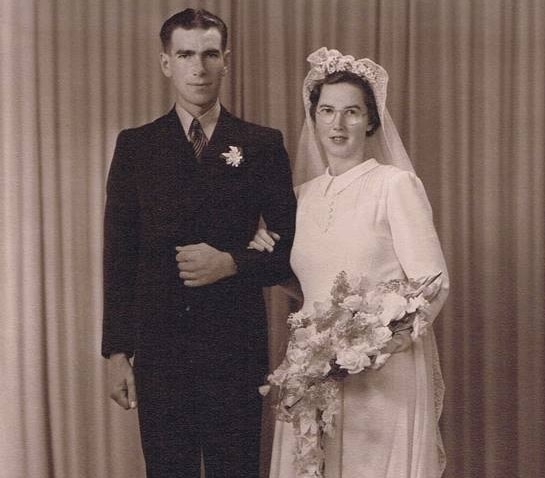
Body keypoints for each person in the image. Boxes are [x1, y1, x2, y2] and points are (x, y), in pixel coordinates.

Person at [101, 9, 296, 477]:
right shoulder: (136, 146)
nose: (199, 67)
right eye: (185, 54)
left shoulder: (261, 144)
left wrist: (232, 263)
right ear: (167, 62)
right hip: (160, 352)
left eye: (210, 54)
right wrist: (116, 352)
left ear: (226, 61)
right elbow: (119, 256)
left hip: (234, 349)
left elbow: (290, 246)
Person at [251, 48, 449, 477]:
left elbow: (432, 282)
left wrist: (376, 343)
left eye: (352, 112)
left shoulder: (394, 186)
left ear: (371, 121)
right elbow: (308, 282)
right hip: (312, 367)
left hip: (380, 373)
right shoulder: (300, 197)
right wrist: (264, 249)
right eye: (327, 111)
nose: (338, 124)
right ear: (314, 117)